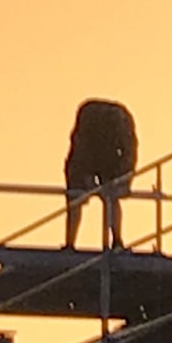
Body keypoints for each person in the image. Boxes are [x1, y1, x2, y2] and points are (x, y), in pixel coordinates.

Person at [64, 99, 138, 248]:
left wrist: (124, 179)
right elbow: (129, 150)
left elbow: (129, 152)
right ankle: (116, 241)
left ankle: (114, 241)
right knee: (81, 194)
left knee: (105, 194)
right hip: (101, 132)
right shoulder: (95, 122)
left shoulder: (111, 121)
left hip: (105, 130)